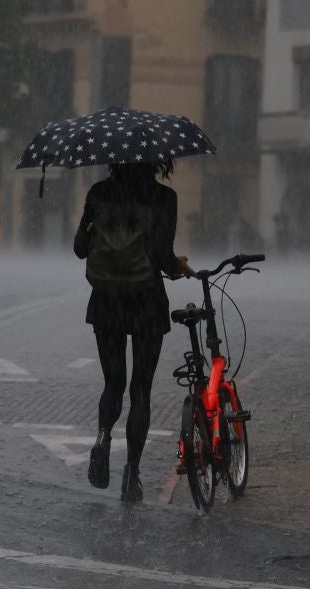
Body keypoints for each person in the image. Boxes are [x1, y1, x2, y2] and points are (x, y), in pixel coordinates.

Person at [73, 160, 196, 503]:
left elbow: (80, 248)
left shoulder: (99, 193)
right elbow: (160, 255)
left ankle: (102, 437)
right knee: (140, 389)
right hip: (145, 302)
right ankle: (132, 475)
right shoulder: (163, 198)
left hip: (107, 301)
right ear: (158, 160)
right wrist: (177, 266)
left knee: (113, 382)